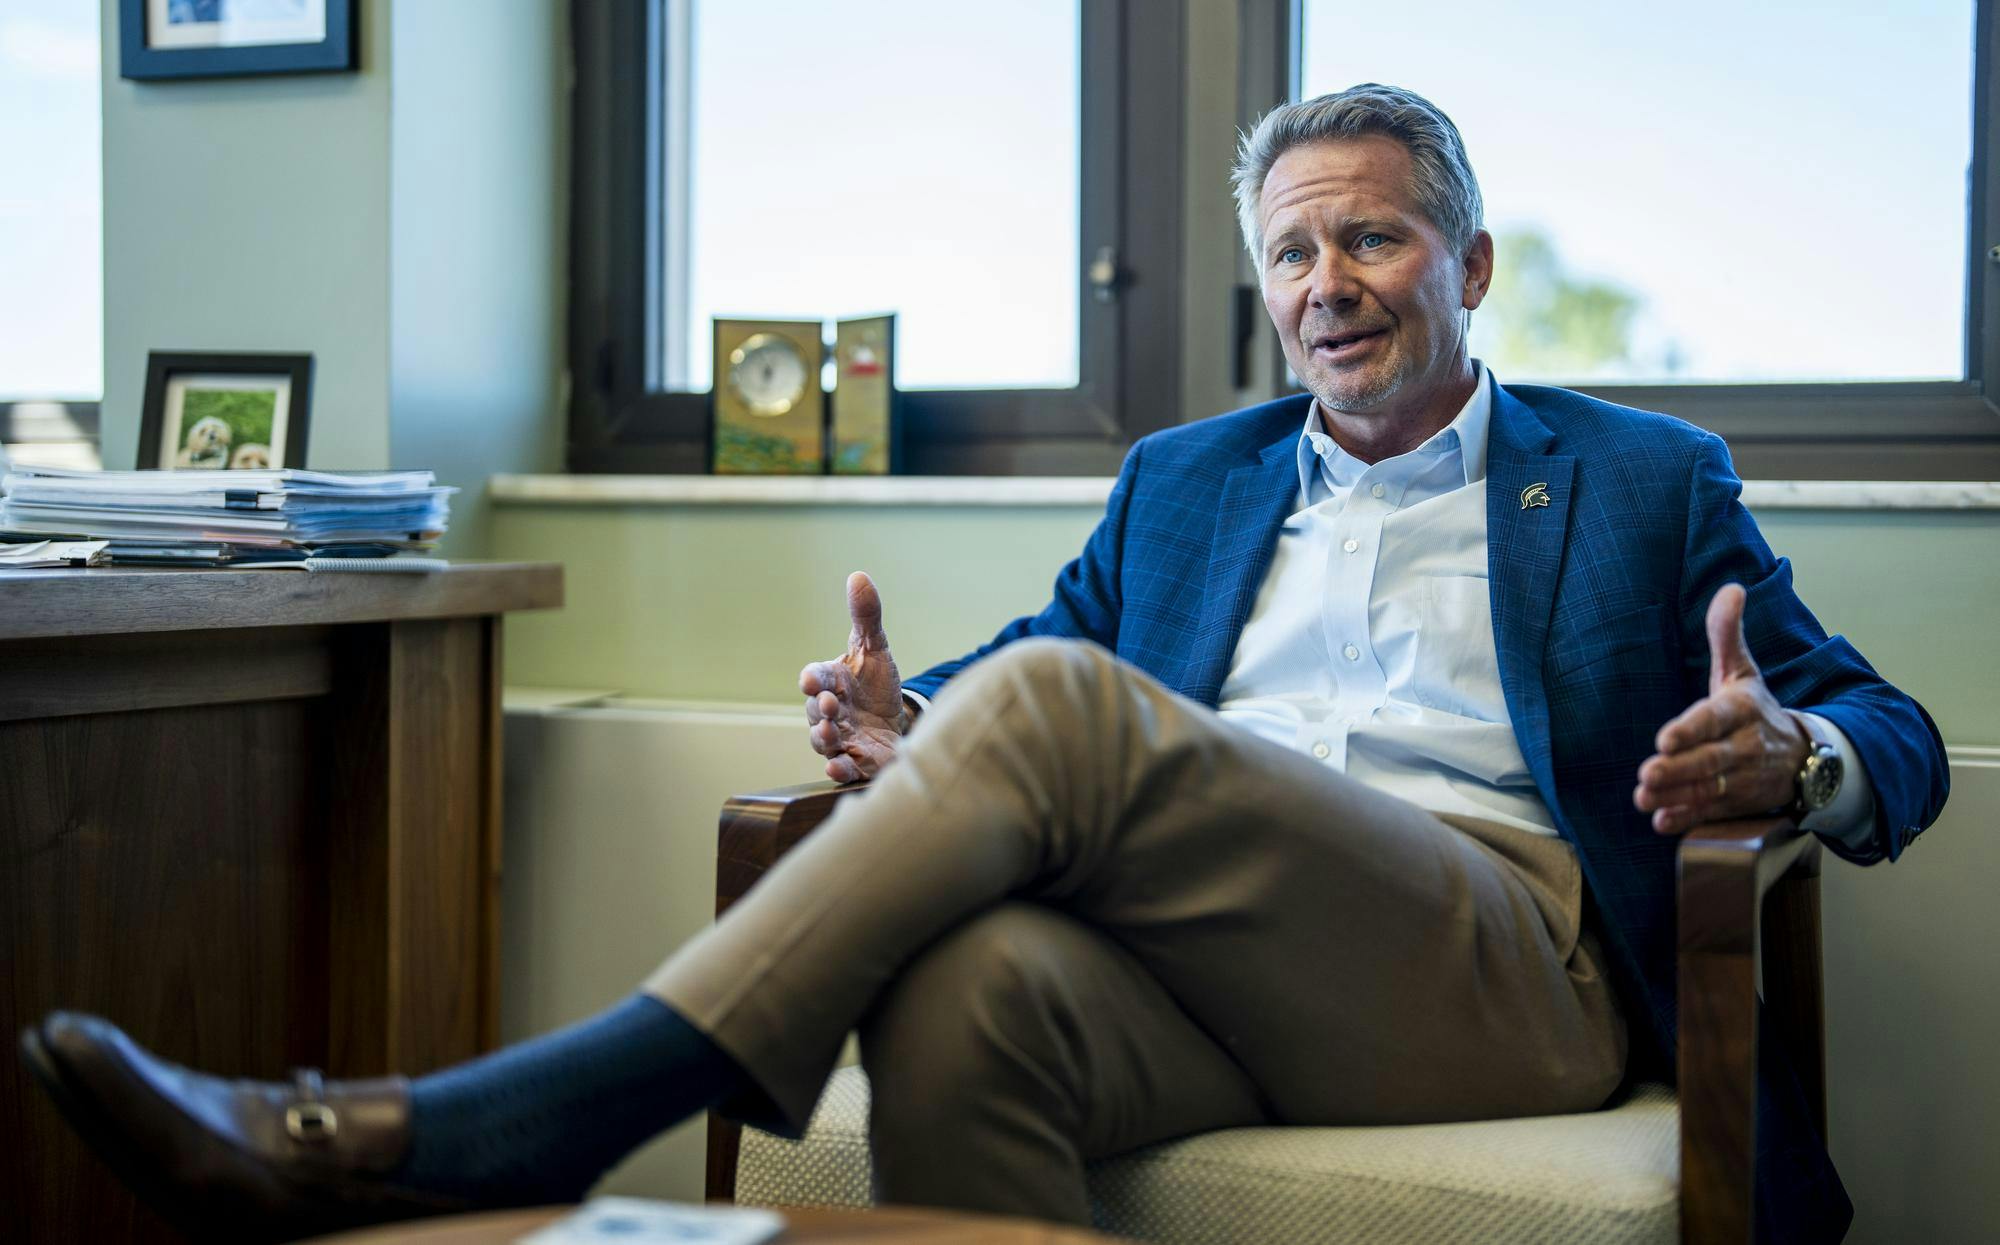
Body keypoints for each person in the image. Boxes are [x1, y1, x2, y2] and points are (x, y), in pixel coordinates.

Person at [23, 85, 1944, 1245]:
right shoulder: (1187, 480)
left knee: (1058, 721)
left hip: (1502, 964)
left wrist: (1798, 754)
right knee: (968, 996)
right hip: (1213, 963)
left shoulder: (1638, 474)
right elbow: (1040, 670)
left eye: (1373, 240)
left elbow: (1890, 727)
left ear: (1473, 265)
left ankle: (502, 1123)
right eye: (1293, 254)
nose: (1327, 286)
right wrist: (911, 716)